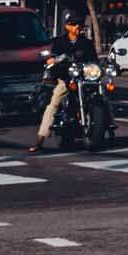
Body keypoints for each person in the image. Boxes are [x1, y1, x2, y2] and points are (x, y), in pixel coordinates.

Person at [28, 9, 96, 154]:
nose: (77, 26)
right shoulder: (59, 42)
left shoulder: (87, 43)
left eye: (79, 23)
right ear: (67, 26)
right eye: (73, 24)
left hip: (85, 79)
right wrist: (53, 59)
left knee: (103, 95)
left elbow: (94, 60)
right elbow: (53, 56)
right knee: (54, 103)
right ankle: (40, 140)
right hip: (66, 79)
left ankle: (110, 124)